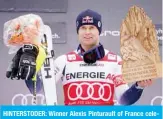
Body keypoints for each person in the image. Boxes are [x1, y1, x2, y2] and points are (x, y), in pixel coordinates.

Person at [6, 9, 153, 105]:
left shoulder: (115, 61)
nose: (87, 32)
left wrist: (139, 86)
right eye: (83, 27)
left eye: (92, 27)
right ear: (78, 31)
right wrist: (28, 72)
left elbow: (123, 100)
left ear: (99, 30)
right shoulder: (64, 61)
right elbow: (38, 89)